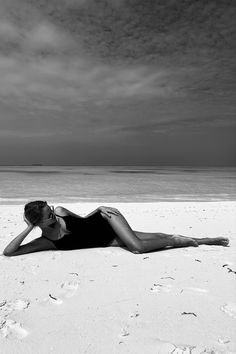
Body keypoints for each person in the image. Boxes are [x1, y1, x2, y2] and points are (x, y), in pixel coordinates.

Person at [3, 201, 229, 257]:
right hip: (111, 239)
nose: (53, 214)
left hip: (107, 220)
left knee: (138, 248)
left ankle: (182, 241)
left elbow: (84, 219)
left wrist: (99, 209)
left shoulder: (61, 211)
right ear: (38, 223)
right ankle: (206, 240)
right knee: (159, 236)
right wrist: (28, 228)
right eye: (48, 215)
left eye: (51, 209)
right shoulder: (46, 242)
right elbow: (9, 252)